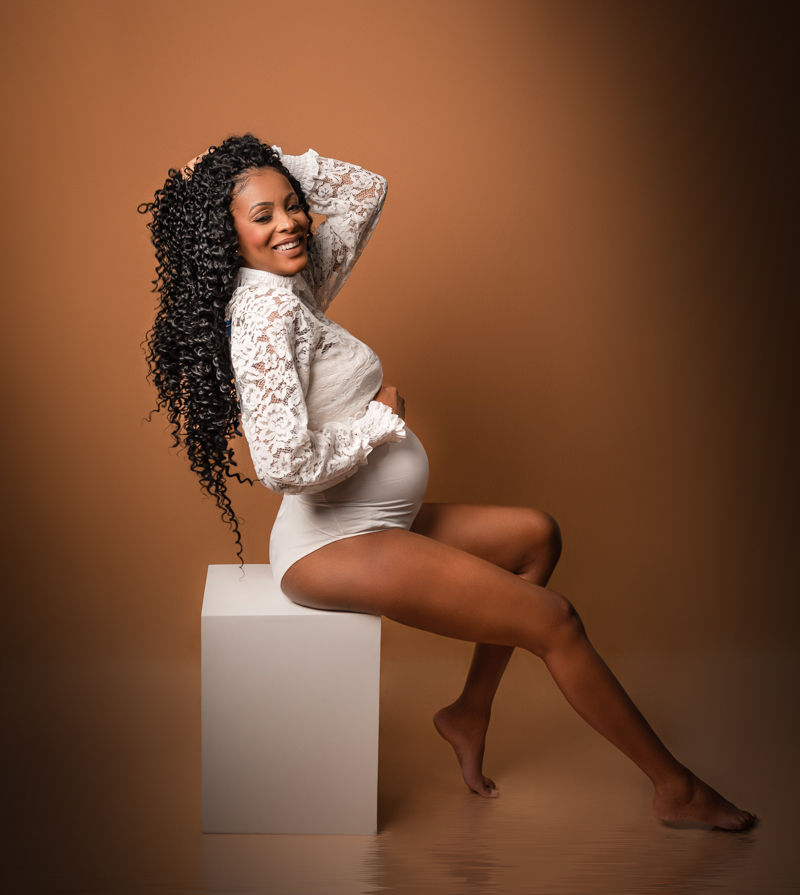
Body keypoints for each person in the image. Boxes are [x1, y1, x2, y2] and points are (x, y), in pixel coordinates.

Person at [139, 134, 756, 830]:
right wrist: (379, 422)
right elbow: (284, 466)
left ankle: (468, 713)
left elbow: (365, 189)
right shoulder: (265, 315)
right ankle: (676, 790)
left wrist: (255, 157)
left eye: (291, 205)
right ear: (226, 236)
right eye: (262, 215)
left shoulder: (294, 283)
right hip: (332, 543)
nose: (289, 222)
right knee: (554, 621)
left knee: (535, 538)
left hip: (372, 522)